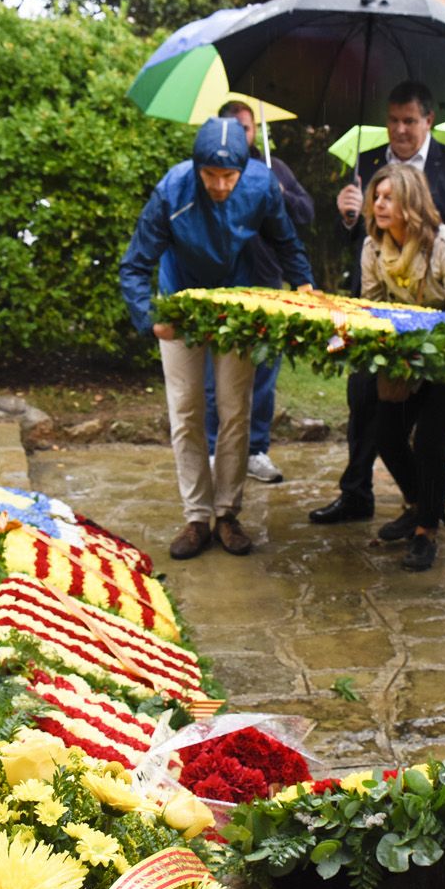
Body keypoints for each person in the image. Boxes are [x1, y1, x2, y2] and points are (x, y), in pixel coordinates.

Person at [308, 81, 445, 525]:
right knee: (367, 402)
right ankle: (359, 493)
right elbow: (361, 245)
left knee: (425, 433)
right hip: (387, 315)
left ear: (427, 120)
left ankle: (425, 515)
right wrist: (348, 216)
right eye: (392, 121)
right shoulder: (368, 163)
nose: (399, 129)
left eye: (408, 121)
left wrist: (432, 270)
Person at [120, 117, 314, 560]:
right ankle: (196, 518)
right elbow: (134, 265)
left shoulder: (261, 186)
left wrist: (303, 283)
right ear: (196, 168)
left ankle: (227, 513)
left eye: (229, 176)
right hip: (180, 305)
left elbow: (286, 241)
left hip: (235, 305)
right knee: (185, 410)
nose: (221, 185)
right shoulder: (172, 191)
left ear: (244, 171)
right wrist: (151, 318)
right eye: (211, 175)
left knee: (234, 410)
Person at [358, 165, 445, 572]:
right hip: (409, 350)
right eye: (376, 196)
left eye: (388, 197)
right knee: (386, 434)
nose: (379, 204)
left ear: (410, 203)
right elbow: (374, 307)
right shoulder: (373, 247)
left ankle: (426, 531)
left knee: (431, 438)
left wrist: (424, 361)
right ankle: (419, 503)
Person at [198, 100, 315, 485]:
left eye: (245, 128)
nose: (239, 135)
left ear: (254, 132)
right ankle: (218, 451)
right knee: (216, 376)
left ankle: (256, 451)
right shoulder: (212, 175)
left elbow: (306, 215)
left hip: (267, 287)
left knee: (263, 375)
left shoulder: (274, 169)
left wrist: (280, 192)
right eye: (230, 127)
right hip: (222, 286)